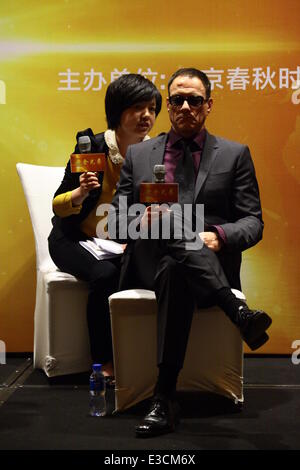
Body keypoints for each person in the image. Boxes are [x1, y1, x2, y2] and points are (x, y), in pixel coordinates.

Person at [108, 68, 272, 437]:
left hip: (203, 264)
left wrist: (217, 235)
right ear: (168, 106)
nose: (185, 106)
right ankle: (237, 312)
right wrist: (141, 221)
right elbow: (114, 222)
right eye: (177, 99)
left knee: (177, 268)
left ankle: (163, 398)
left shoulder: (234, 154)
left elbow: (253, 221)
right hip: (147, 260)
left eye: (194, 100)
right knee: (165, 223)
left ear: (208, 106)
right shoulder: (139, 155)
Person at [48, 74, 162, 381]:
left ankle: (150, 361)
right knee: (107, 275)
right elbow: (58, 205)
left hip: (122, 244)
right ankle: (103, 360)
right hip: (73, 239)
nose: (146, 116)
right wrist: (80, 192)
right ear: (117, 110)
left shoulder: (156, 154)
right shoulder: (92, 148)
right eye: (137, 107)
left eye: (151, 108)